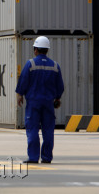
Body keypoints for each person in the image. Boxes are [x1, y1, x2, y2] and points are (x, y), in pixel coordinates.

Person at [15, 36, 64, 164]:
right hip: (48, 103)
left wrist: (19, 95)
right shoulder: (55, 66)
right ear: (47, 50)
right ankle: (47, 157)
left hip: (33, 104)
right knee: (48, 130)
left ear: (35, 49)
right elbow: (60, 86)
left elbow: (23, 81)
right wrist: (57, 98)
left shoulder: (30, 64)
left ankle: (33, 157)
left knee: (32, 130)